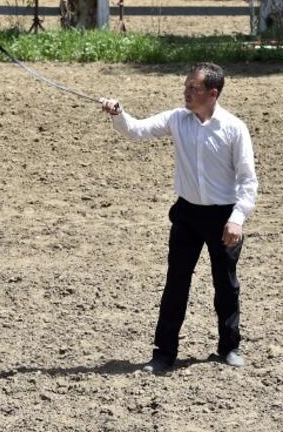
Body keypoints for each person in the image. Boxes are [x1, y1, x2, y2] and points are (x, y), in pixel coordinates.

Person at [100, 62, 258, 373]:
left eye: (193, 88)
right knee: (176, 283)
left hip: (223, 217)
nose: (186, 92)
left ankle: (229, 347)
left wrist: (237, 218)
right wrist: (118, 114)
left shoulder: (233, 128)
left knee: (226, 285)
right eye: (186, 86)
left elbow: (247, 180)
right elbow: (136, 130)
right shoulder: (177, 119)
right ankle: (163, 353)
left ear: (212, 94)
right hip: (186, 214)